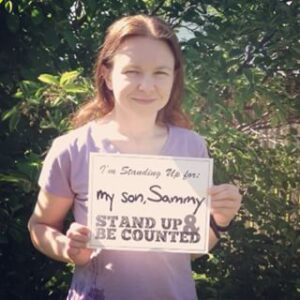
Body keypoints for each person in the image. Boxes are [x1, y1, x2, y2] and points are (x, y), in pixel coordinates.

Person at [28, 14, 242, 300]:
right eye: (132, 71)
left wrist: (219, 220)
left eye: (160, 73)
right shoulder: (73, 148)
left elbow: (187, 251)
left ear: (174, 77)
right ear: (107, 75)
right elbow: (40, 226)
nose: (146, 85)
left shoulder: (192, 148)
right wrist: (67, 248)